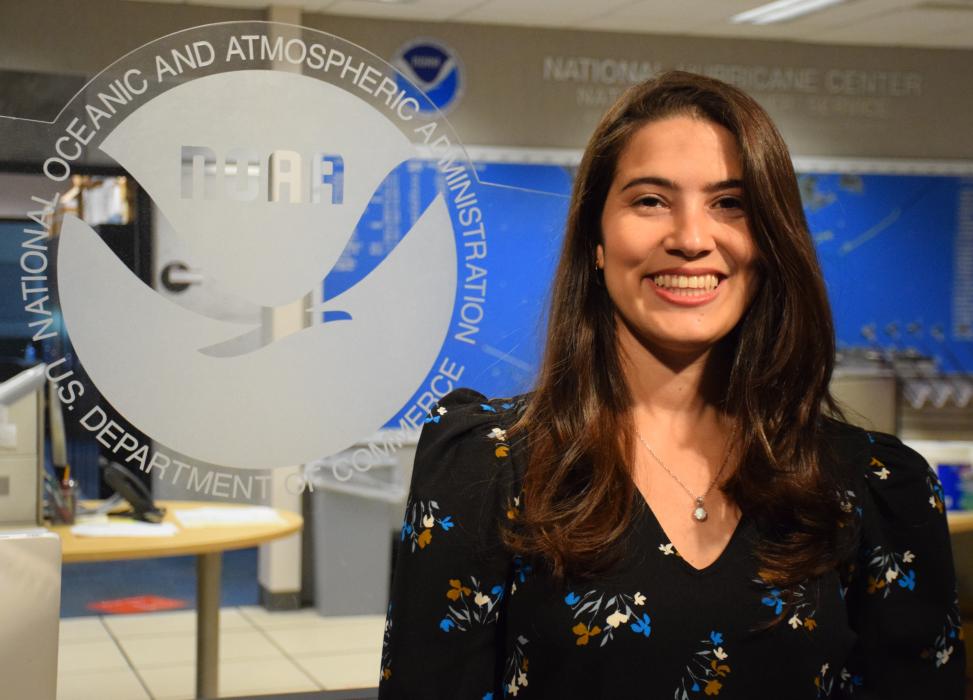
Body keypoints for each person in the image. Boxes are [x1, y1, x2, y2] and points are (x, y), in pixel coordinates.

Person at [377, 71, 965, 698]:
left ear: (770, 244)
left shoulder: (876, 488)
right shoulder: (486, 466)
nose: (690, 239)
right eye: (650, 200)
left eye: (730, 204)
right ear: (596, 242)